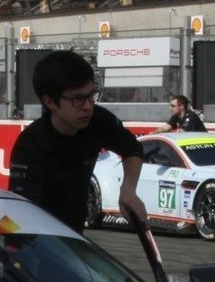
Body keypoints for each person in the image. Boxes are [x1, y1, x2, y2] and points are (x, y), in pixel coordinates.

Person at [8, 49, 146, 231]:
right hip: (38, 237)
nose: (88, 106)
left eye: (91, 95)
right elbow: (23, 216)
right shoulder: (31, 146)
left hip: (76, 234)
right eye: (77, 99)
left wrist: (128, 190)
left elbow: (132, 149)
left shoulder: (98, 120)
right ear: (50, 102)